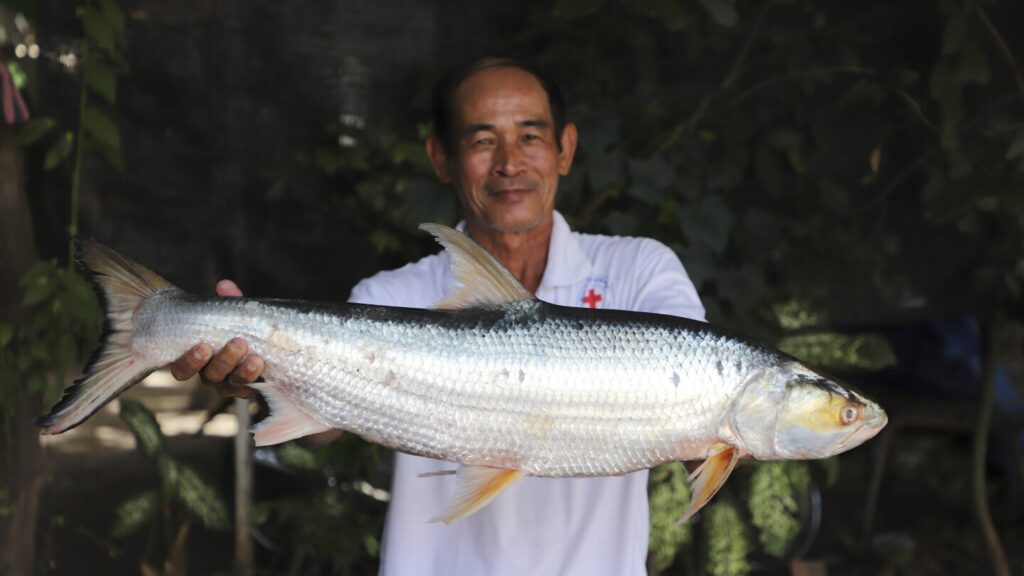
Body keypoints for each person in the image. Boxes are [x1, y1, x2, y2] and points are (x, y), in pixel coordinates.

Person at [170, 57, 705, 575]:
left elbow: (708, 417)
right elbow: (322, 428)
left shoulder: (642, 270)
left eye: (530, 136)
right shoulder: (392, 292)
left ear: (565, 148)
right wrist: (262, 378)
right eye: (481, 140)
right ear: (441, 158)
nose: (509, 163)